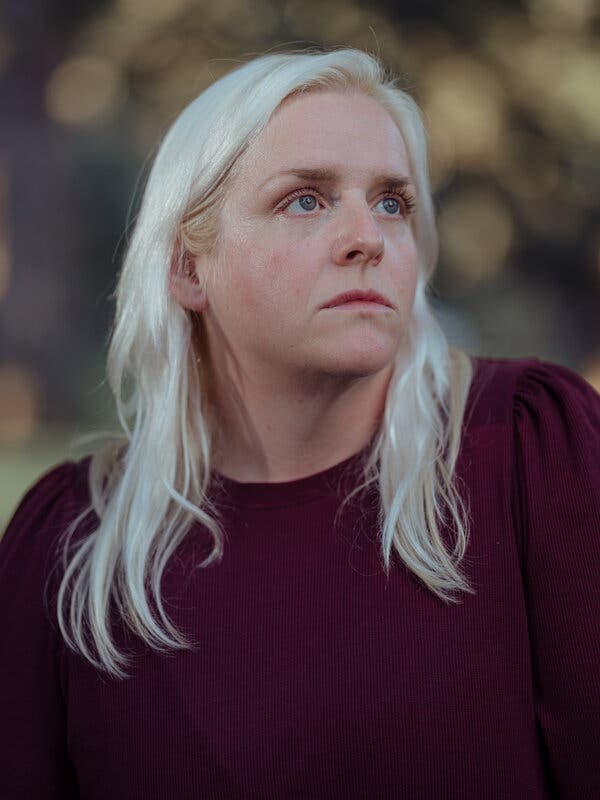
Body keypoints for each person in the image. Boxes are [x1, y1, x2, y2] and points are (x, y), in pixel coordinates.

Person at [0, 48, 599, 800]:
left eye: (392, 203)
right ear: (188, 268)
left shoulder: (528, 450)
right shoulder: (72, 545)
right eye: (306, 201)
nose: (368, 238)